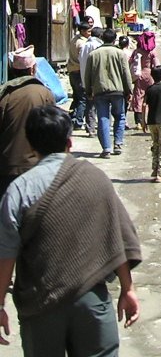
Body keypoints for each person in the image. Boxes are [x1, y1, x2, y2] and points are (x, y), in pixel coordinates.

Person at [0, 104, 141, 354]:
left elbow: (6, 254)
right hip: (92, 299)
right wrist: (127, 288)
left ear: (31, 146)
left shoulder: (19, 191)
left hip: (40, 305)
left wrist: (0, 304)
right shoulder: (96, 178)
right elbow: (118, 237)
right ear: (70, 142)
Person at [0, 49, 55, 198]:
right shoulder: (45, 93)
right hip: (37, 166)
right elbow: (53, 130)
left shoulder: (5, 94)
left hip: (7, 167)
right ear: (33, 69)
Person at [84, 28, 133, 160]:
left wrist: (88, 91)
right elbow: (126, 74)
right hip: (118, 91)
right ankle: (117, 143)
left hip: (100, 91)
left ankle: (106, 149)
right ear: (114, 39)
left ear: (102, 38)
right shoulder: (120, 53)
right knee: (120, 116)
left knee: (103, 118)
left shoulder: (93, 55)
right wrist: (129, 90)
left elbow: (87, 75)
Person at [66, 21, 93, 129]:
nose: (90, 33)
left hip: (72, 71)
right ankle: (78, 121)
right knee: (82, 98)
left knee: (76, 97)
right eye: (88, 31)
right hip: (79, 71)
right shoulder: (82, 43)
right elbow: (83, 59)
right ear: (82, 31)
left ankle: (71, 117)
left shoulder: (74, 39)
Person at [129, 30, 157, 129]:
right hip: (150, 75)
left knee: (138, 97)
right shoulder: (152, 52)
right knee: (152, 97)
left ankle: (138, 122)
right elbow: (156, 65)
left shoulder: (137, 51)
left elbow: (130, 62)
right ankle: (151, 119)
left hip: (139, 75)